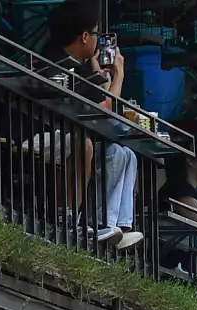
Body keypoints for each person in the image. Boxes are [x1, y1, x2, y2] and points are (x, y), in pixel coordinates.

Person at [45, 0, 143, 250]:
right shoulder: (58, 62)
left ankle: (119, 225)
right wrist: (118, 76)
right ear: (85, 36)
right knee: (91, 147)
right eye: (97, 34)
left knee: (125, 154)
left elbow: (99, 103)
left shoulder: (79, 66)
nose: (100, 41)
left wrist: (100, 75)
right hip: (45, 131)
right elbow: (106, 110)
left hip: (70, 132)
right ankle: (97, 222)